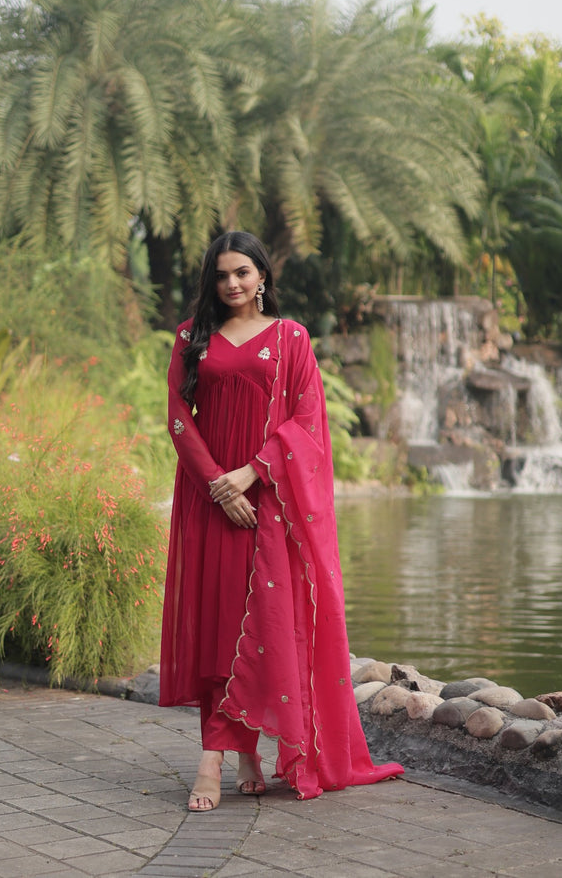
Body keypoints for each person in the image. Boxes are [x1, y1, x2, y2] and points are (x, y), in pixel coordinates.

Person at [159, 231, 403, 811]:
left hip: (267, 502)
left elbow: (307, 419)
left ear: (262, 275)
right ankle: (220, 756)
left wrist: (249, 474)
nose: (232, 284)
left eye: (242, 272)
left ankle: (228, 755)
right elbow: (176, 414)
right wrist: (217, 485)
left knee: (258, 627)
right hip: (209, 498)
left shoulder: (290, 338)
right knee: (218, 625)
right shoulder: (192, 337)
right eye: (221, 275)